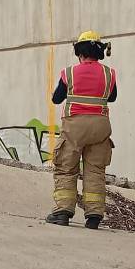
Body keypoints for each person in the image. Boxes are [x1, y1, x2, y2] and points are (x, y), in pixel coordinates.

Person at [45, 31, 117, 230]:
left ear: (79, 52)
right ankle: (93, 215)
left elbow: (56, 99)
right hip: (100, 127)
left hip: (74, 127)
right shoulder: (108, 74)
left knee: (66, 168)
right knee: (95, 170)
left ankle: (62, 212)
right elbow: (112, 97)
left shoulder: (69, 73)